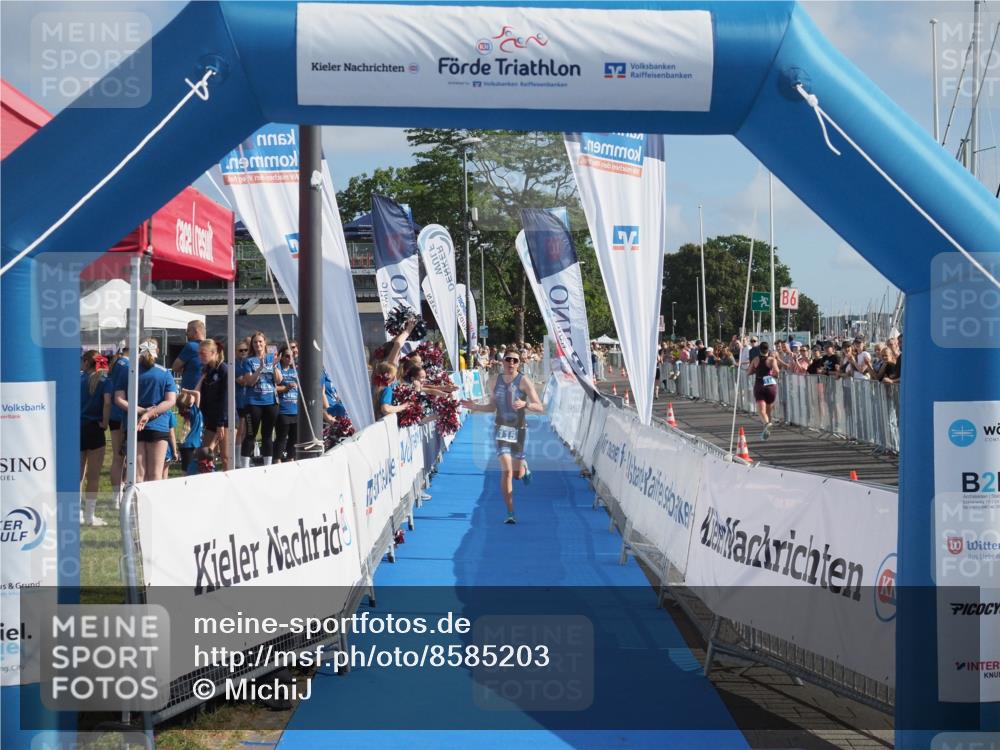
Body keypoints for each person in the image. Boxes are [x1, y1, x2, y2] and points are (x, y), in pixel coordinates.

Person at [460, 348, 544, 525]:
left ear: (519, 364)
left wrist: (525, 404)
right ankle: (510, 512)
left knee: (517, 475)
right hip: (500, 430)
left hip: (519, 430)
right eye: (508, 359)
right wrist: (474, 406)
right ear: (502, 361)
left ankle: (524, 467)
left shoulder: (524, 381)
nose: (511, 363)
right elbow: (491, 407)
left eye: (515, 360)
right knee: (506, 471)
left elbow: (540, 407)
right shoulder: (493, 381)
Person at [114, 339, 177, 483]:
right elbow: (170, 401)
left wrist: (142, 411)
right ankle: (153, 505)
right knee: (156, 475)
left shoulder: (128, 371)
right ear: (157, 353)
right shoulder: (165, 372)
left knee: (137, 475)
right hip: (159, 426)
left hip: (134, 425)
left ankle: (137, 505)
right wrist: (149, 413)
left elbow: (118, 399)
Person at [237, 331, 282, 467]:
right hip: (253, 403)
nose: (258, 344)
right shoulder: (249, 361)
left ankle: (267, 466)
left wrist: (273, 366)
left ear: (265, 343)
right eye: (255, 342)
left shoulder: (271, 358)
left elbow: (279, 380)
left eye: (260, 342)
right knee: (251, 434)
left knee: (267, 435)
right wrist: (260, 368)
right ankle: (244, 465)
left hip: (271, 402)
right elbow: (249, 381)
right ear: (252, 345)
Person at [80, 350, 111, 527]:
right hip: (94, 428)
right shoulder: (104, 380)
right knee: (93, 476)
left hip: (78, 427)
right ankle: (90, 516)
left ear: (86, 362)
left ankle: (76, 513)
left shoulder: (77, 379)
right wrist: (105, 422)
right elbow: (107, 402)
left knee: (78, 475)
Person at [196, 339, 229, 470]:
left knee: (226, 457)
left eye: (203, 353)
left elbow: (226, 398)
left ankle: (229, 484)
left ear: (214, 353)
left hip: (225, 419)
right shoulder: (206, 370)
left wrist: (221, 423)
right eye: (199, 353)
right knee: (205, 455)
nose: (200, 356)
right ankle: (209, 480)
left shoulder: (224, 369)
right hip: (211, 418)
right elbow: (199, 393)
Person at [107, 342, 130, 507]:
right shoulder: (127, 364)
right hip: (122, 414)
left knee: (118, 456)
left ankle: (118, 495)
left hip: (115, 415)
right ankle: (120, 494)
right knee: (122, 456)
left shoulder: (117, 363)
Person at [748, 340, 779, 441]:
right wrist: (772, 374)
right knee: (768, 410)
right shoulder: (772, 360)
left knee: (761, 411)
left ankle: (766, 424)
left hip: (760, 384)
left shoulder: (755, 359)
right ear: (768, 349)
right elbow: (777, 372)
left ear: (759, 350)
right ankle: (767, 430)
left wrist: (754, 371)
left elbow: (749, 372)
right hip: (771, 386)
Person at [273, 344, 299, 463]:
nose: (290, 358)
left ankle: (291, 460)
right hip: (283, 410)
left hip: (296, 410)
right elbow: (272, 388)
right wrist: (285, 388)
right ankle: (277, 461)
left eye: (292, 356)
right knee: (281, 438)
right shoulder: (277, 369)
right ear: (282, 357)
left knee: (294, 439)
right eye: (287, 356)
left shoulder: (296, 370)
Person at [172, 319, 207, 390]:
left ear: (196, 331)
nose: (186, 333)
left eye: (188, 331)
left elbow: (175, 367)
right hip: (208, 390)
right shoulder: (212, 347)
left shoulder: (191, 346)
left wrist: (187, 371)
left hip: (190, 391)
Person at [177, 389, 203, 473]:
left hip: (187, 445)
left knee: (187, 471)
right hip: (191, 445)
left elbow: (196, 395)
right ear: (190, 404)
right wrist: (185, 390)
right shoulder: (194, 411)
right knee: (189, 472)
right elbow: (197, 393)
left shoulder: (190, 411)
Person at [162, 409, 179, 480]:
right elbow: (171, 434)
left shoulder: (149, 411)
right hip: (166, 450)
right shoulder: (168, 412)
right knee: (164, 473)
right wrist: (175, 451)